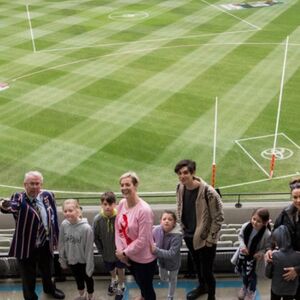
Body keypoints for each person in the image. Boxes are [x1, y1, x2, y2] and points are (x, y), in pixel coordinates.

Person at [0, 171, 65, 300]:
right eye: (31, 184)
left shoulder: (48, 196)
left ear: (41, 184)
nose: (35, 186)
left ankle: (50, 289)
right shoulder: (19, 198)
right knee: (28, 277)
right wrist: (3, 204)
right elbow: (10, 206)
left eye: (37, 183)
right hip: (26, 246)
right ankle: (30, 297)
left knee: (47, 271)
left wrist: (55, 238)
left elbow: (53, 218)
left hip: (45, 244)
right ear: (25, 185)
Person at [175, 159, 224, 300]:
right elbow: (179, 206)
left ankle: (212, 296)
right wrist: (183, 228)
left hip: (205, 240)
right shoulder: (180, 188)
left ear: (193, 173)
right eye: (179, 173)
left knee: (207, 271)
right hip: (189, 236)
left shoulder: (209, 192)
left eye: (185, 173)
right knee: (197, 266)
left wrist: (210, 239)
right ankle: (202, 287)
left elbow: (219, 217)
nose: (182, 176)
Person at [115, 171, 157, 300]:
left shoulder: (144, 210)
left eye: (127, 184)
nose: (124, 188)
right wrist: (121, 252)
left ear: (135, 185)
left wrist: (124, 253)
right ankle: (143, 297)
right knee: (140, 284)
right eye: (122, 185)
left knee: (147, 287)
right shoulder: (122, 203)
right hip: (129, 257)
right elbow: (118, 228)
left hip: (144, 260)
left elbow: (143, 240)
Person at [265, 177, 300, 299]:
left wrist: (297, 270)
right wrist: (269, 248)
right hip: (285, 267)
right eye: (295, 197)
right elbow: (274, 233)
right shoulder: (286, 213)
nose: (298, 200)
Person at [231, 208, 271, 300]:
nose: (255, 222)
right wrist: (243, 246)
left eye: (259, 221)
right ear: (251, 217)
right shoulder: (245, 226)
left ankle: (252, 290)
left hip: (255, 261)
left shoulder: (267, 234)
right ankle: (245, 287)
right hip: (244, 257)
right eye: (254, 219)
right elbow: (240, 236)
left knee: (253, 277)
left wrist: (260, 253)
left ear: (265, 223)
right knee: (245, 274)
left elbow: (267, 248)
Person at [58, 199, 94, 300]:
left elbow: (89, 250)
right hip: (72, 260)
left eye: (70, 210)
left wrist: (89, 267)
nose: (68, 213)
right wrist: (62, 260)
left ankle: (90, 295)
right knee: (78, 279)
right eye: (65, 211)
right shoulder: (64, 225)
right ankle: (82, 294)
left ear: (78, 211)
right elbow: (61, 243)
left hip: (84, 261)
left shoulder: (87, 229)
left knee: (88, 279)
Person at [93, 191, 126, 300]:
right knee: (111, 269)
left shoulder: (120, 217)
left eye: (110, 204)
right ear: (101, 205)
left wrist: (124, 250)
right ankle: (114, 280)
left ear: (115, 204)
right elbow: (96, 237)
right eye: (105, 204)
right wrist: (101, 251)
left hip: (120, 252)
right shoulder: (97, 220)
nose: (107, 207)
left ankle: (121, 285)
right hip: (106, 252)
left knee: (121, 269)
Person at [152, 210, 182, 300]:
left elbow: (172, 253)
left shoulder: (177, 236)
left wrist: (156, 250)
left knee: (173, 280)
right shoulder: (156, 230)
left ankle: (170, 296)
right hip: (161, 262)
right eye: (164, 219)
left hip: (173, 263)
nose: (167, 221)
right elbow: (150, 235)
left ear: (174, 223)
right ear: (160, 221)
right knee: (163, 278)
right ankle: (169, 280)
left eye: (170, 219)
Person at [265, 225, 300, 300]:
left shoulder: (274, 255)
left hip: (276, 288)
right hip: (292, 290)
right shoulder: (298, 255)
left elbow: (268, 274)